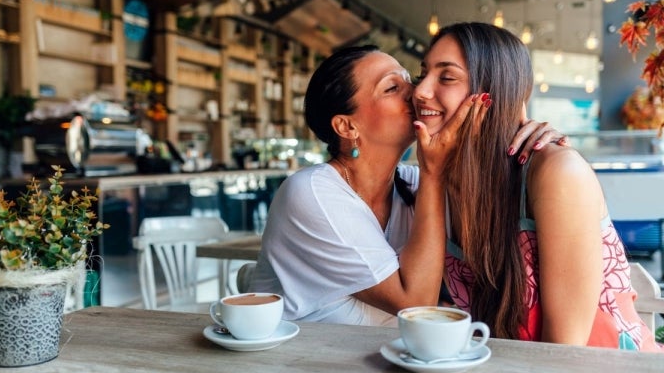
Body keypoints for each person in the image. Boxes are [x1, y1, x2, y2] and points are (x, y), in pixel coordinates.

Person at [248, 44, 566, 327]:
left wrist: (523, 133)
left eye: (408, 80)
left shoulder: (413, 185)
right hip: (299, 371)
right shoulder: (311, 192)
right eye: (391, 88)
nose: (415, 92)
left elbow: (491, 203)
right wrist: (433, 171)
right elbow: (414, 303)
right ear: (347, 126)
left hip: (381, 370)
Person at [413, 22, 660, 351]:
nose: (420, 91)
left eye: (446, 77)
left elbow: (564, 352)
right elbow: (418, 303)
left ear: (493, 95)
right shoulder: (440, 184)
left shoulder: (557, 173)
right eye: (423, 74)